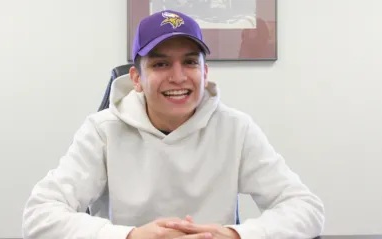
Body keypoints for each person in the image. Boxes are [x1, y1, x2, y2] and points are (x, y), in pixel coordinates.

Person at [22, 9, 325, 239]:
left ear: (205, 74)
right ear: (137, 78)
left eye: (190, 62)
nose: (178, 77)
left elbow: (305, 208)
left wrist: (235, 234)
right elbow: (39, 215)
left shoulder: (236, 129)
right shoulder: (102, 131)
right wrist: (130, 235)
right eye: (161, 63)